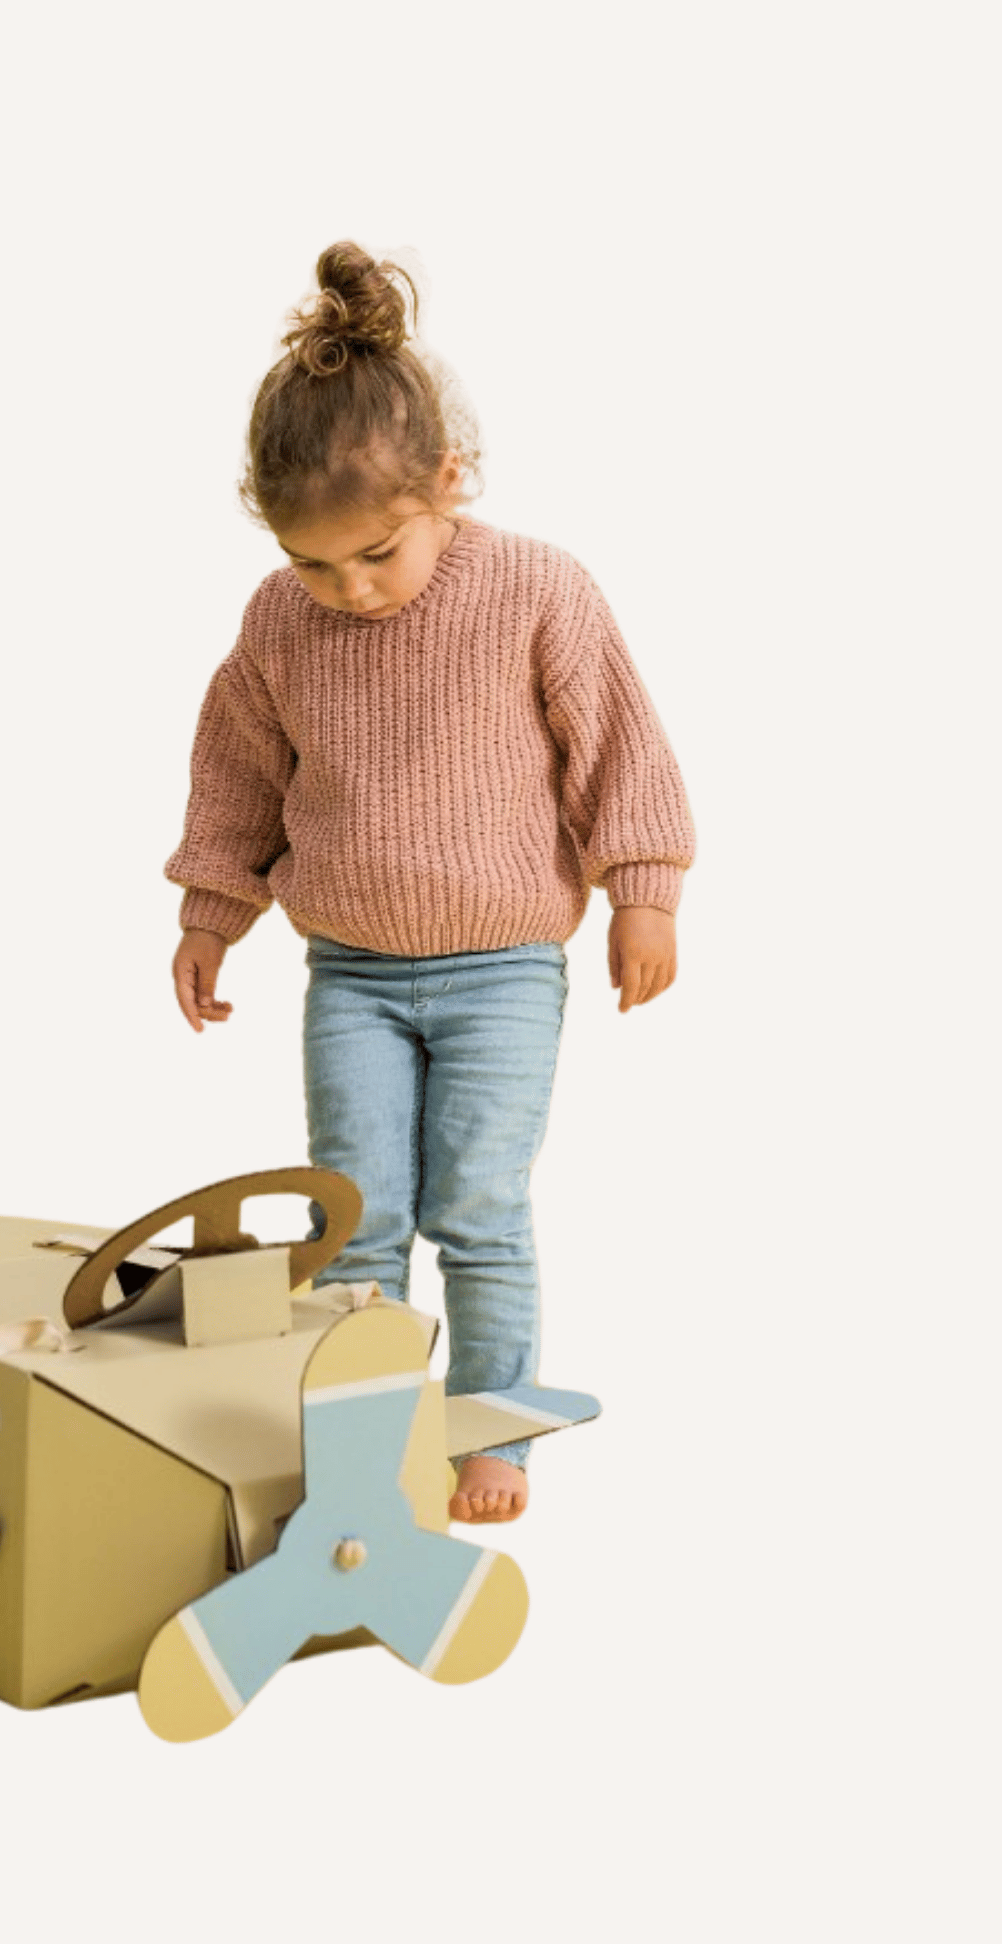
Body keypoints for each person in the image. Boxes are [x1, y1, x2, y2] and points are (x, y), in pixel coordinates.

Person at [165, 240, 695, 1525]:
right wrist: (210, 913)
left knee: (476, 1203)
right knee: (354, 1214)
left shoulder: (533, 588)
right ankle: (368, 1434)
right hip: (347, 970)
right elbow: (238, 768)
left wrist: (642, 888)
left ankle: (492, 1430)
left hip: (500, 969)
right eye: (314, 564)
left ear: (447, 483)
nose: (346, 590)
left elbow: (614, 739)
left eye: (376, 555)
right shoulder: (278, 623)